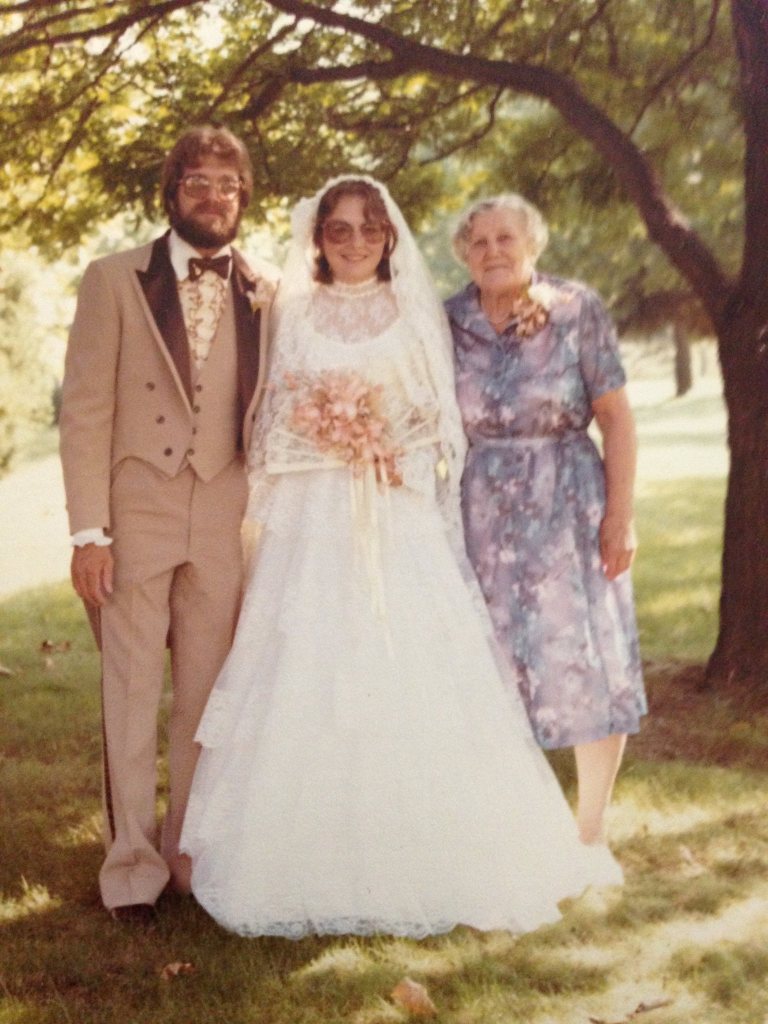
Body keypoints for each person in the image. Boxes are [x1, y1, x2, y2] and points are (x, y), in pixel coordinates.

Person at [179, 176, 622, 940]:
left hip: (394, 511)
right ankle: (301, 855)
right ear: (318, 239)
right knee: (308, 665)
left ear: (389, 238)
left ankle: (428, 852)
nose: (354, 242)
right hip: (315, 517)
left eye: (369, 229)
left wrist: (391, 452)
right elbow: (272, 415)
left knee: (407, 666)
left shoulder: (414, 311)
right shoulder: (294, 309)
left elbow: (440, 422)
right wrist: (329, 435)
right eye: (339, 230)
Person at [59, 125, 272, 924]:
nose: (213, 196)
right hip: (137, 510)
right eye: (197, 182)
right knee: (131, 686)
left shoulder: (270, 287)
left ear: (243, 197)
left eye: (227, 184)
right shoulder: (113, 278)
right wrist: (89, 532)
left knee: (207, 696)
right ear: (172, 192)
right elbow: (85, 410)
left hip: (224, 511)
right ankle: (130, 868)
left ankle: (187, 854)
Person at [445, 194, 646, 848]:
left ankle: (589, 831)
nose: (493, 252)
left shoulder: (576, 308)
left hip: (569, 505)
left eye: (506, 238)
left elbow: (616, 418)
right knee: (491, 663)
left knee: (586, 656)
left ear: (532, 245)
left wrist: (620, 516)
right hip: (481, 514)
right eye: (478, 243)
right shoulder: (448, 320)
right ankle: (504, 826)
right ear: (464, 256)